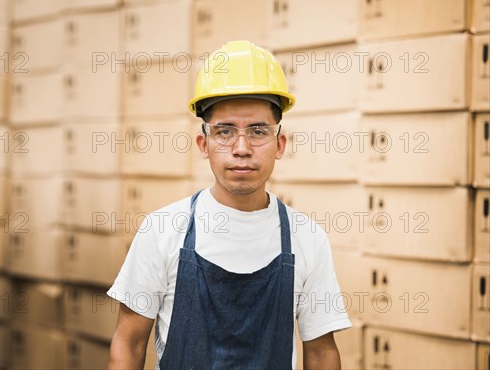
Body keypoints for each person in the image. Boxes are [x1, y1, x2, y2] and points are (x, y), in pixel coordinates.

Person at [107, 40, 351, 370]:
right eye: (224, 132)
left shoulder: (306, 237)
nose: (241, 148)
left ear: (280, 144)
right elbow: (129, 342)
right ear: (203, 143)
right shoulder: (162, 230)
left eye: (257, 131)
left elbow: (322, 352)